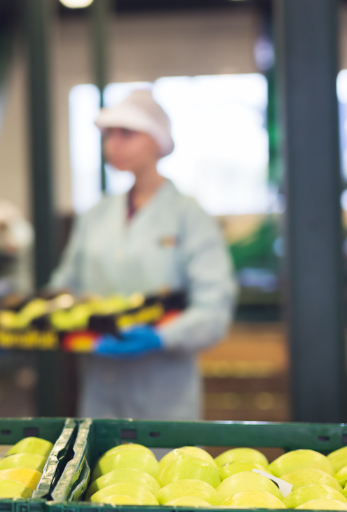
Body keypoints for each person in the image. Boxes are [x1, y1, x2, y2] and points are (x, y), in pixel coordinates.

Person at [49, 89, 237, 421]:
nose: (114, 144)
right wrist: (25, 322)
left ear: (157, 141)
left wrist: (161, 337)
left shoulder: (188, 216)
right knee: (102, 469)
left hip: (164, 393)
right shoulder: (95, 216)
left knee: (167, 470)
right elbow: (64, 285)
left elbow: (214, 308)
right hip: (99, 388)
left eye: (127, 134)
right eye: (109, 135)